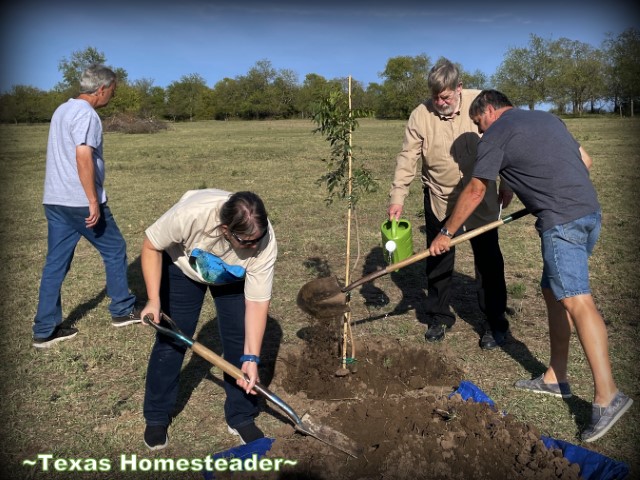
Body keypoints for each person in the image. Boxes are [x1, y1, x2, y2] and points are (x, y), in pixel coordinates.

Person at [429, 89, 633, 442]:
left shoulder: (496, 132)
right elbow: (585, 162)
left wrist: (446, 232)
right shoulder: (546, 118)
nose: (479, 132)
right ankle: (555, 376)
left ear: (489, 111)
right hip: (589, 212)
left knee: (575, 299)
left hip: (562, 221)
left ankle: (608, 396)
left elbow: (477, 190)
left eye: (478, 124)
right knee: (552, 290)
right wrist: (529, 185)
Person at [388, 58, 513, 349]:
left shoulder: (479, 103)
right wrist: (397, 198)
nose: (439, 102)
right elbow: (407, 158)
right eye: (435, 97)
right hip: (439, 196)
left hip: (478, 195)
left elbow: (507, 142)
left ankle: (495, 323)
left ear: (459, 88)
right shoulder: (420, 115)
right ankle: (439, 316)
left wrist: (507, 184)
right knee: (438, 257)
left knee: (488, 260)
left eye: (445, 96)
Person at [140, 189, 277, 451]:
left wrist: (251, 358)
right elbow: (150, 244)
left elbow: (258, 304)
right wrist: (153, 300)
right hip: (183, 266)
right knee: (172, 340)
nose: (254, 247)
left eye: (257, 240)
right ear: (225, 229)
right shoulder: (191, 215)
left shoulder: (264, 242)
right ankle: (157, 415)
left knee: (239, 339)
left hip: (232, 276)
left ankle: (241, 415)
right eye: (246, 242)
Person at [32, 64, 140, 349]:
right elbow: (83, 156)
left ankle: (45, 330)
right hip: (79, 201)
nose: (112, 97)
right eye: (112, 92)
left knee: (55, 264)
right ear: (101, 89)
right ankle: (122, 310)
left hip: (54, 200)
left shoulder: (62, 110)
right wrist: (93, 200)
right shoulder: (87, 114)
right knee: (114, 248)